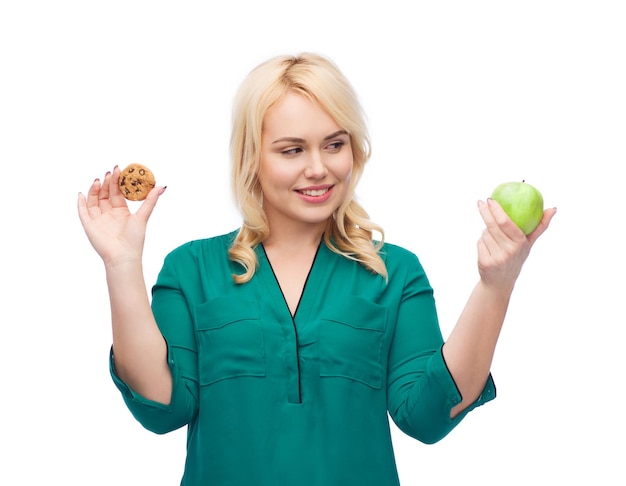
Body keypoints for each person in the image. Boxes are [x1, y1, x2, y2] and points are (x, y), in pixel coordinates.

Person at [77, 52, 556, 485]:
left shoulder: (394, 273)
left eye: (334, 144)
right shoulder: (191, 269)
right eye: (291, 150)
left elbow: (429, 418)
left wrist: (496, 286)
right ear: (251, 157)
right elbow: (162, 408)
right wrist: (121, 265)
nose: (319, 168)